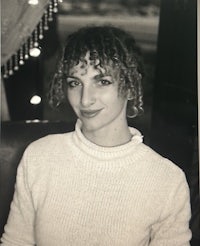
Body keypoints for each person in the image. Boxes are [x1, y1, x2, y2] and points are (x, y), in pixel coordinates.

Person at [1, 25, 191, 245]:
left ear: (130, 88)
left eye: (102, 82)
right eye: (75, 83)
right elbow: (16, 241)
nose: (84, 99)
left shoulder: (167, 180)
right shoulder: (39, 156)